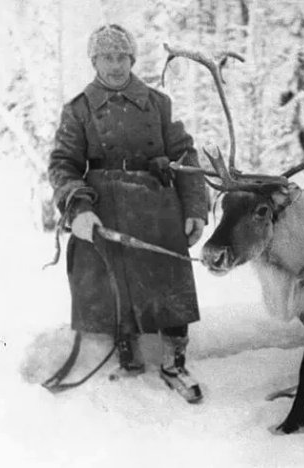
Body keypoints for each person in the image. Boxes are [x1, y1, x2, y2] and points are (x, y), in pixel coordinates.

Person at [48, 24, 207, 403]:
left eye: (122, 57)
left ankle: (175, 362)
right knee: (110, 278)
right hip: (106, 207)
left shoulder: (157, 102)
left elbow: (186, 154)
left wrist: (195, 207)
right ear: (94, 61)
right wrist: (79, 209)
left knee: (170, 277)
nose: (116, 65)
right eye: (107, 57)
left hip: (158, 207)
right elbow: (63, 166)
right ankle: (126, 353)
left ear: (133, 59)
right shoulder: (80, 110)